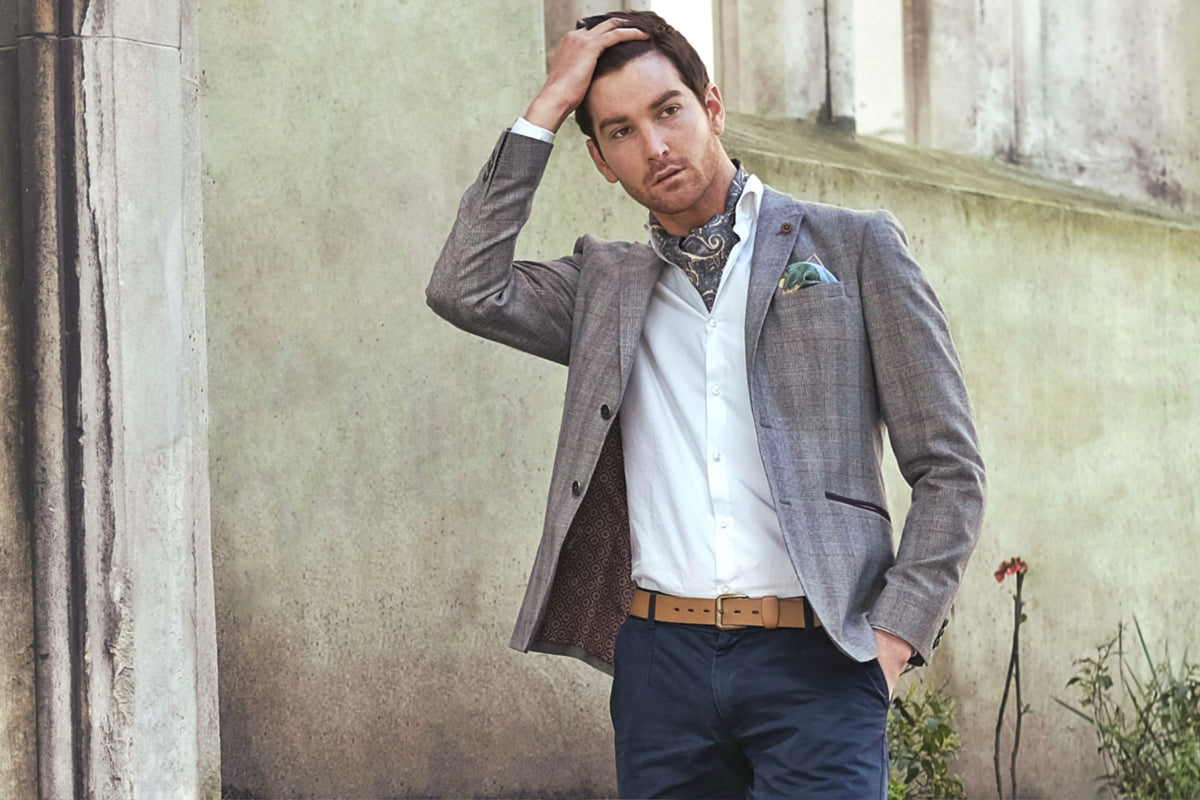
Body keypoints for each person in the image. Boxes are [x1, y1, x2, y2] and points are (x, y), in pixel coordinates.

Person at [427, 10, 985, 799]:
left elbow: (950, 468)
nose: (654, 145)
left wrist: (894, 637)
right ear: (600, 161)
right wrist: (546, 106)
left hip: (821, 658)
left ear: (712, 106)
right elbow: (464, 286)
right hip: (663, 667)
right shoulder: (604, 289)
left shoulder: (854, 249)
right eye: (621, 131)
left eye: (668, 111)